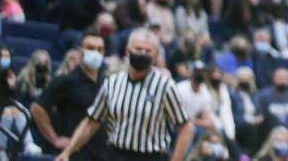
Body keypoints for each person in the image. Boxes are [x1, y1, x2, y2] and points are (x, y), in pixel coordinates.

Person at [56, 28, 193, 161]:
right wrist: (68, 152)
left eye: (148, 51)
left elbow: (186, 128)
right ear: (128, 51)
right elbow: (91, 122)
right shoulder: (112, 83)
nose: (142, 53)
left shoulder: (165, 86)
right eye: (138, 49)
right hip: (116, 153)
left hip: (151, 156)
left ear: (155, 55)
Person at [31, 31, 107, 161]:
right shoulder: (66, 81)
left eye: (100, 49)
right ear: (80, 51)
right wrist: (55, 139)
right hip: (75, 153)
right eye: (90, 48)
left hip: (103, 152)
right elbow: (37, 108)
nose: (96, 52)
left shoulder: (106, 81)